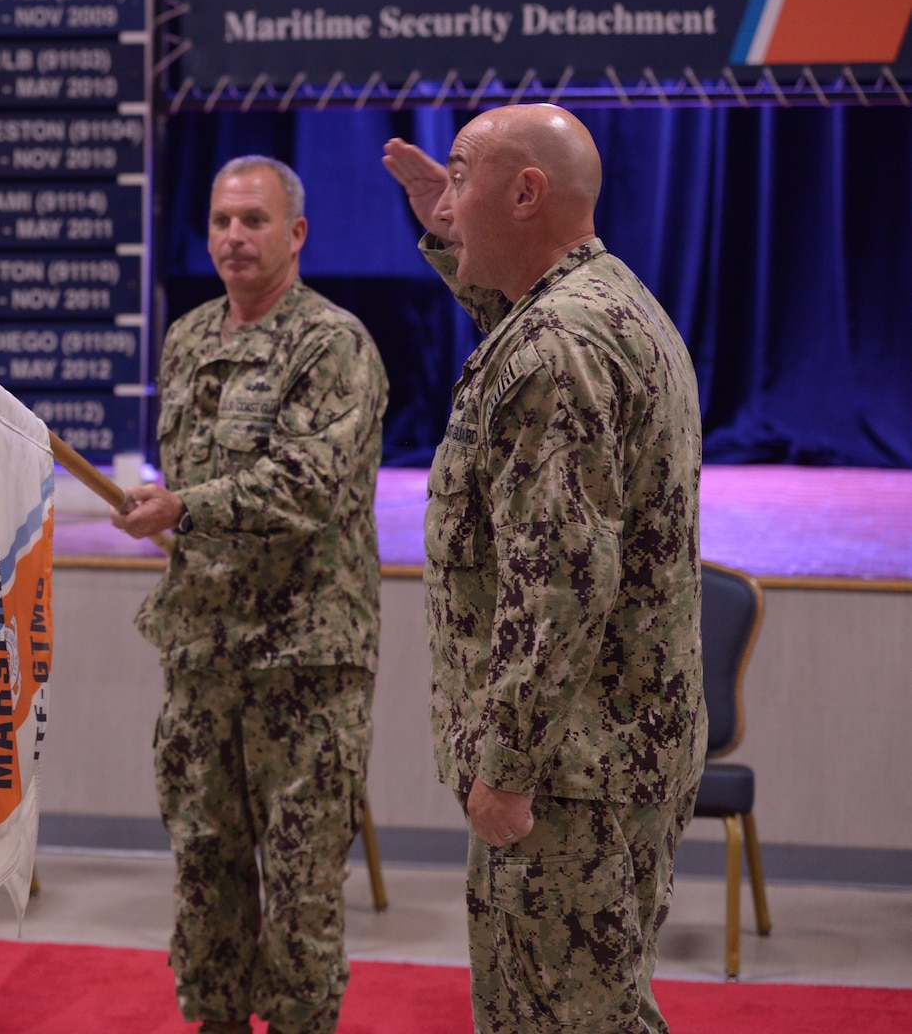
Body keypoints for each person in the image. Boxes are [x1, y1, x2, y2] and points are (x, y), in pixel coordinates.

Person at [383, 106, 704, 1032]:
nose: (447, 195)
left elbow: (559, 580)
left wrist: (508, 765)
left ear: (526, 192)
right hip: (601, 754)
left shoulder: (558, 346)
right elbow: (518, 318)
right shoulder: (595, 303)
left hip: (570, 768)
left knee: (566, 1021)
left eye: (462, 173)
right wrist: (452, 235)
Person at [111, 156, 387, 1034]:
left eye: (255, 221)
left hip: (305, 661)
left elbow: (310, 486)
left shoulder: (333, 344)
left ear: (296, 233)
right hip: (202, 656)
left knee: (302, 891)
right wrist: (167, 505)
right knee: (204, 878)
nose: (235, 235)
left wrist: (186, 506)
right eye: (223, 220)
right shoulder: (189, 337)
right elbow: (194, 478)